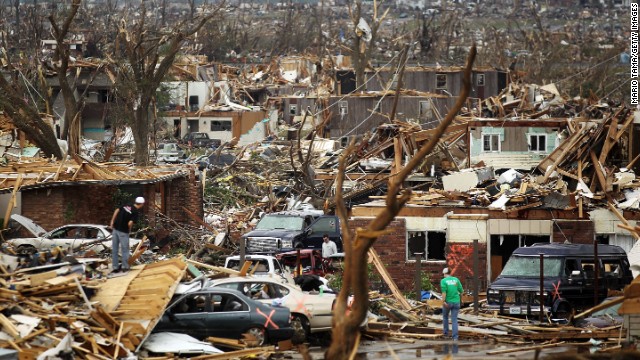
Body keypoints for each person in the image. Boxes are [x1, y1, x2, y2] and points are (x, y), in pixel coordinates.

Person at [109, 197, 144, 273]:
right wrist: (129, 230)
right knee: (125, 250)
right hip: (123, 232)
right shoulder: (135, 212)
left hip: (115, 229)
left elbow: (117, 210)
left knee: (115, 249)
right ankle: (125, 267)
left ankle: (115, 267)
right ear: (141, 204)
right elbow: (129, 223)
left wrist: (112, 221)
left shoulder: (127, 204)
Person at [441, 267, 463, 341]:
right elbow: (461, 291)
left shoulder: (443, 281)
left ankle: (446, 333)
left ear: (444, 273)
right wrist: (461, 300)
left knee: (445, 317)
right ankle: (455, 337)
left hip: (448, 302)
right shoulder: (456, 280)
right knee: (454, 319)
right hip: (456, 302)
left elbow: (444, 292)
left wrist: (443, 301)